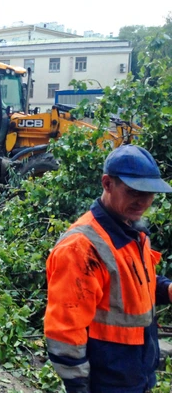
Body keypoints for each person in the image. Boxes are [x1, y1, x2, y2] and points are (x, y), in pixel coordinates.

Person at [44, 144, 172, 392]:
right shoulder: (81, 248)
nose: (143, 201)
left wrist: (166, 289)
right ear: (107, 184)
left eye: (149, 193)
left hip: (135, 373)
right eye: (134, 191)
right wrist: (78, 385)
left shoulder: (130, 230)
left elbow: (133, 284)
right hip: (107, 380)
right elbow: (65, 331)